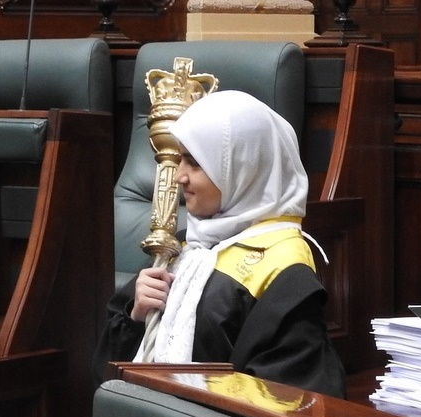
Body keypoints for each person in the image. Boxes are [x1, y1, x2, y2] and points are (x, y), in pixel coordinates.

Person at [93, 90, 347, 399]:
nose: (179, 177)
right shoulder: (189, 245)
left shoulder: (283, 269)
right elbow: (104, 372)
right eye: (180, 159)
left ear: (243, 168)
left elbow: (288, 397)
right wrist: (135, 316)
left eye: (194, 163)